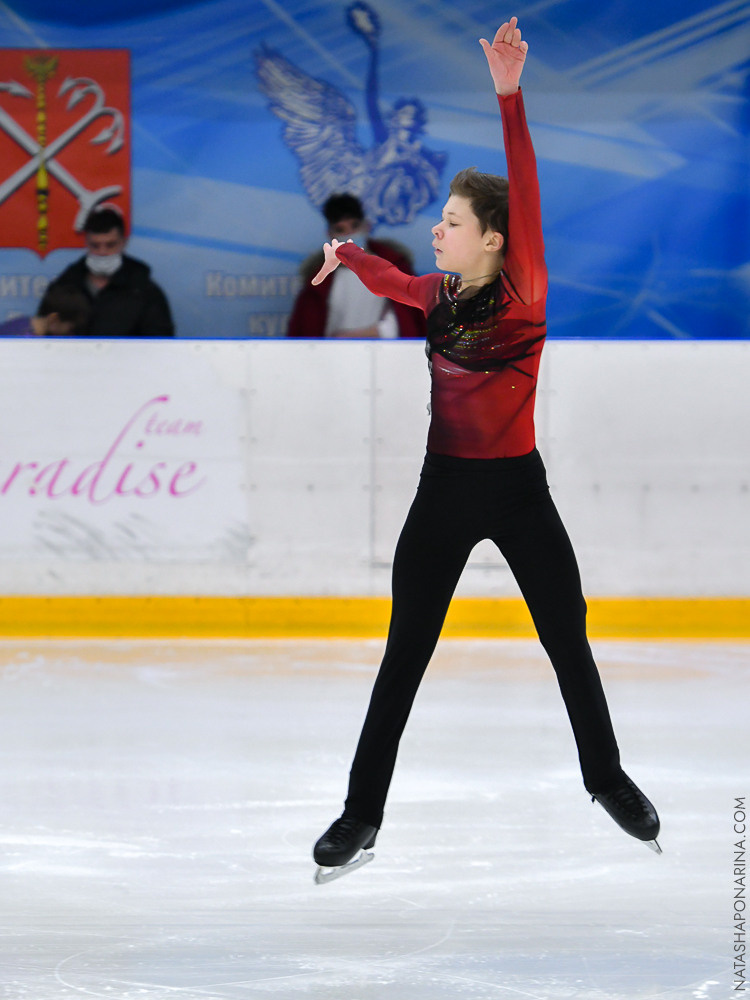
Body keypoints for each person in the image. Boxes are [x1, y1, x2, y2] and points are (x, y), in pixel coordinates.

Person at [311, 16, 661, 882]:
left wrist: (510, 98)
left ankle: (607, 779)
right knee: (406, 652)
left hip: (518, 492)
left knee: (565, 637)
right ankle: (361, 814)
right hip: (443, 494)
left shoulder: (526, 290)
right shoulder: (434, 293)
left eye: (453, 220)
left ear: (495, 238)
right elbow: (392, 278)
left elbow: (529, 189)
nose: (438, 229)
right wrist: (348, 254)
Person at [287, 193, 425, 339]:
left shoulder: (392, 267)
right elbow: (307, 329)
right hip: (332, 355)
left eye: (354, 226)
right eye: (340, 230)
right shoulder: (318, 281)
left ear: (366, 226)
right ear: (329, 234)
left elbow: (407, 319)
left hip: (384, 354)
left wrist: (360, 334)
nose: (349, 234)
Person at [47, 205, 175, 337]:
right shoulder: (64, 287)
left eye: (110, 245)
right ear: (86, 243)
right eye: (95, 245)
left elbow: (161, 345)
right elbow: (42, 339)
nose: (102, 252)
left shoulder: (145, 292)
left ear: (123, 243)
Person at [0, 284, 91, 337]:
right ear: (54, 319)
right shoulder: (21, 339)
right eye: (70, 329)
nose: (71, 335)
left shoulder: (20, 324)